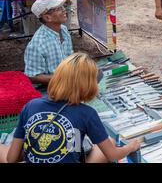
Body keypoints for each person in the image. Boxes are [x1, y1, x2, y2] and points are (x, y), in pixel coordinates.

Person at [0, 53, 140, 163]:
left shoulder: (30, 106)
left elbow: (11, 159)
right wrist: (131, 146)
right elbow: (112, 155)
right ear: (89, 86)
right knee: (109, 142)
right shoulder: (87, 113)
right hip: (75, 147)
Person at [24, 0, 73, 85]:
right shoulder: (38, 44)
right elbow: (32, 76)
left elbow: (70, 56)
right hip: (51, 86)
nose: (64, 10)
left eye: (62, 7)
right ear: (47, 18)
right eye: (58, 9)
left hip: (68, 79)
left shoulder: (63, 29)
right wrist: (62, 79)